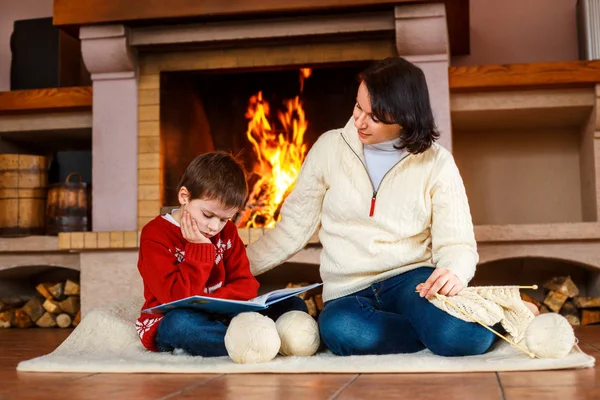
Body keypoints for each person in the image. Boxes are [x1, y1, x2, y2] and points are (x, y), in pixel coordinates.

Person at [247, 56, 509, 357]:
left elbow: (458, 242)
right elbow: (291, 229)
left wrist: (454, 271)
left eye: (375, 117)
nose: (359, 121)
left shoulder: (437, 162)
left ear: (405, 118)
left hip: (413, 281)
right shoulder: (329, 149)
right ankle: (428, 334)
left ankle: (488, 320)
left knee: (461, 336)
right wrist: (230, 268)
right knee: (339, 329)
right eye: (358, 106)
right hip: (348, 290)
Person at [135, 151, 306, 357]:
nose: (214, 227)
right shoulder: (155, 234)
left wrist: (216, 303)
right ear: (184, 196)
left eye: (224, 219)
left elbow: (246, 285)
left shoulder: (228, 232)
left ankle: (249, 340)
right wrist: (200, 248)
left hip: (220, 314)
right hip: (172, 318)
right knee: (180, 324)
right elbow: (175, 297)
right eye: (207, 215)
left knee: (294, 305)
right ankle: (253, 343)